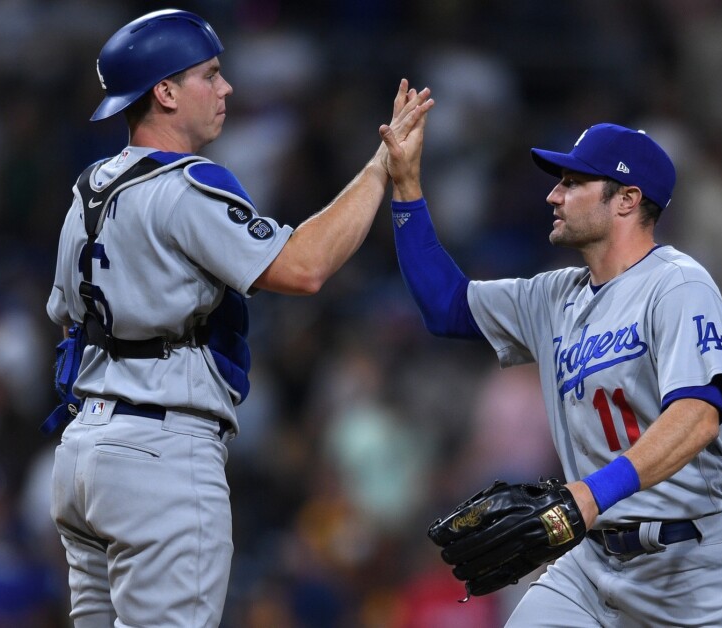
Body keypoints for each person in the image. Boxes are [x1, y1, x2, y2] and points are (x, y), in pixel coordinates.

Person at [45, 9, 432, 627]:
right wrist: (382, 167)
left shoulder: (89, 189)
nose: (226, 89)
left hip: (83, 456)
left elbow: (66, 318)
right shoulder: (187, 186)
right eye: (210, 74)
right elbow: (304, 268)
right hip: (160, 454)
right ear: (165, 92)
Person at [391, 122, 722, 625]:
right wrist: (405, 186)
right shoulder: (552, 296)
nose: (553, 195)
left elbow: (698, 416)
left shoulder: (678, 286)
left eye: (572, 183)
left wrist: (591, 494)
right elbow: (446, 306)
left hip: (696, 565)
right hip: (591, 564)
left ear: (627, 199)